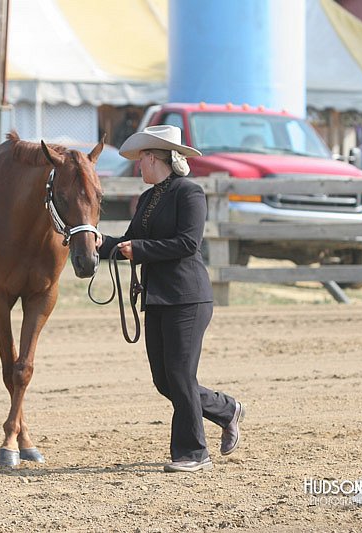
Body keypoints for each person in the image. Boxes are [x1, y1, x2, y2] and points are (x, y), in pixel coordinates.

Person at [98, 125, 245, 473]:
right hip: (159, 298)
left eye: (140, 161)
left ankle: (194, 454)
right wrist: (96, 242)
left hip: (187, 298)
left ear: (152, 157)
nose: (138, 167)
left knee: (179, 375)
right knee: (166, 380)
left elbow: (188, 244)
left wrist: (140, 249)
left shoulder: (189, 193)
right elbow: (129, 242)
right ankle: (226, 410)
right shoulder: (149, 199)